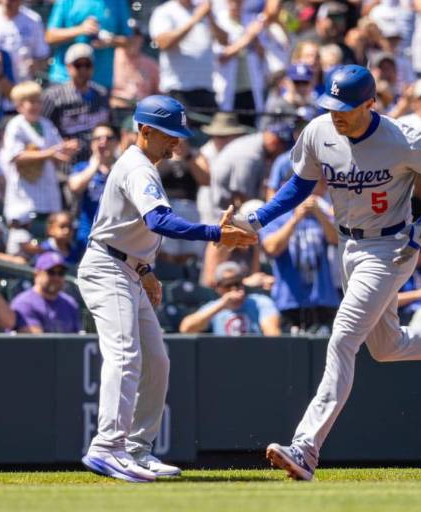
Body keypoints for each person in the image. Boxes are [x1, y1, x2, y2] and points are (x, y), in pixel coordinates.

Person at [227, 65, 421, 481]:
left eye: (345, 106)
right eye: (331, 104)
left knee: (342, 339)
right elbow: (300, 184)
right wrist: (259, 218)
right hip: (349, 245)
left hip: (391, 246)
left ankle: (305, 448)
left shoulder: (401, 138)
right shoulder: (320, 131)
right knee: (386, 346)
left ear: (370, 104)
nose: (336, 113)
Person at [78, 95, 257, 482]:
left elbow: (128, 226)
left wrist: (144, 269)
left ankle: (137, 449)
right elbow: (159, 220)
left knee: (157, 361)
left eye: (178, 134)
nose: (176, 142)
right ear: (144, 131)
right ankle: (107, 447)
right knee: (126, 356)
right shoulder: (137, 167)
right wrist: (214, 232)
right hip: (107, 268)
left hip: (126, 266)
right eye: (168, 134)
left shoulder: (143, 166)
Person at [260, 180, 340, 334]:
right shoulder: (277, 216)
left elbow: (336, 240)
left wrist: (320, 214)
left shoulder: (321, 211)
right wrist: (295, 219)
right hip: (289, 302)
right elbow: (271, 248)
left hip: (323, 300)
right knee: (291, 356)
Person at [1, 81, 78, 228]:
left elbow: (58, 152)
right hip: (24, 199)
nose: (36, 106)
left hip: (48, 196)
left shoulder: (46, 124)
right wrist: (50, 153)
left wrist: (67, 149)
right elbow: (17, 156)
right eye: (31, 102)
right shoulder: (15, 125)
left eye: (38, 101)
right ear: (19, 106)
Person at [148, 0, 226, 114]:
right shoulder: (164, 11)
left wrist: (211, 18)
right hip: (178, 89)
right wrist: (195, 19)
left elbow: (224, 41)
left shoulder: (204, 9)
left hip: (207, 88)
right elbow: (163, 43)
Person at [41, 43, 110, 165]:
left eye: (87, 65)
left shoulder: (101, 93)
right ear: (68, 67)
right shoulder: (53, 96)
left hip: (96, 161)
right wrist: (58, 145)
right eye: (78, 65)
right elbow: (43, 128)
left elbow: (109, 126)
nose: (83, 69)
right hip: (65, 164)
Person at [45, 0, 131, 90]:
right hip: (64, 79)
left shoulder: (118, 2)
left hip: (100, 83)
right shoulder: (66, 1)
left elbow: (129, 41)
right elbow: (50, 36)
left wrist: (110, 41)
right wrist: (80, 30)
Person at [179, 261, 281, 335]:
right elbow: (186, 328)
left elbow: (272, 333)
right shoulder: (214, 307)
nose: (234, 288)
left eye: (237, 283)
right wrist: (222, 305)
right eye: (228, 285)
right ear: (218, 288)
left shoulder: (260, 302)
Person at [68, 123, 119, 255]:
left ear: (116, 143)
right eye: (98, 138)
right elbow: (75, 187)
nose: (103, 142)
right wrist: (95, 165)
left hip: (116, 238)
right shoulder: (82, 167)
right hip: (88, 236)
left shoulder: (122, 170)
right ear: (92, 144)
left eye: (108, 138)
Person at [0, 0, 49, 95]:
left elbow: (43, 56)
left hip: (22, 88)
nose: (9, 2)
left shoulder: (33, 20)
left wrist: (36, 64)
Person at [11, 251, 80, 334]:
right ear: (37, 274)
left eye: (61, 273)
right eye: (51, 272)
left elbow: (77, 339)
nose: (56, 277)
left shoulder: (70, 303)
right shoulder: (24, 303)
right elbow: (37, 342)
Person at [110, 26, 159, 109]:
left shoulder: (151, 64)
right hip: (117, 110)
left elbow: (159, 92)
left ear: (141, 39)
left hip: (144, 111)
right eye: (127, 35)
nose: (132, 39)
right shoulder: (109, 60)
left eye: (135, 35)